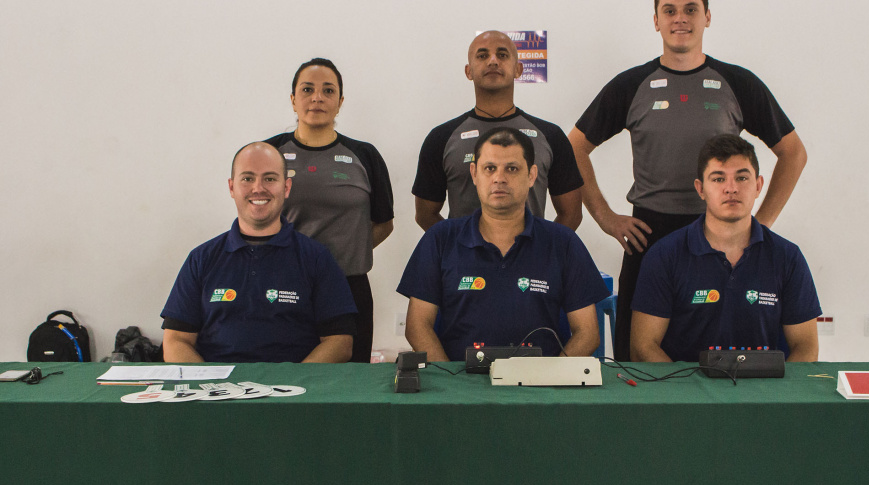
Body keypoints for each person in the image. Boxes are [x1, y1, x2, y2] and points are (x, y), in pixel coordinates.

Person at [568, 0, 808, 361]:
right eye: (669, 10)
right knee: (640, 360)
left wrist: (764, 221)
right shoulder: (632, 84)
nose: (680, 18)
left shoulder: (737, 83)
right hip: (649, 234)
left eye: (691, 8)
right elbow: (573, 148)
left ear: (707, 17)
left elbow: (793, 152)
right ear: (656, 21)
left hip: (720, 236)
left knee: (725, 353)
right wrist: (606, 218)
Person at [398, 127, 608, 362]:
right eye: (490, 169)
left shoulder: (564, 243)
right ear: (474, 174)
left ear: (531, 175)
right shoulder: (440, 239)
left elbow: (588, 334)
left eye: (512, 168)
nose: (499, 178)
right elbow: (417, 328)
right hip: (461, 384)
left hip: (540, 387)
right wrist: (451, 382)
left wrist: (549, 379)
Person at [161, 142, 357, 363]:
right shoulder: (201, 259)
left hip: (292, 390)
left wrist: (291, 386)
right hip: (218, 391)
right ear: (232, 187)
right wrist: (210, 387)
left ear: (286, 187)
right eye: (247, 178)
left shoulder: (317, 258)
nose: (258, 188)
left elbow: (339, 343)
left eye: (270, 179)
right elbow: (175, 341)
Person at [630, 134, 820, 362]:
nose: (731, 189)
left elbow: (806, 347)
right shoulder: (664, 256)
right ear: (700, 189)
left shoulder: (788, 257)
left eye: (742, 178)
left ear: (758, 186)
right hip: (688, 391)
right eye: (718, 179)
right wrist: (687, 395)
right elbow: (643, 347)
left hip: (762, 393)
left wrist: (774, 396)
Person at [265, 58, 394, 363]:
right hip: (284, 286)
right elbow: (253, 218)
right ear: (293, 100)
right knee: (285, 379)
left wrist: (342, 255)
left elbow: (384, 223)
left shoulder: (365, 155)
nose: (317, 98)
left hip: (349, 287)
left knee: (349, 387)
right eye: (307, 89)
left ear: (340, 102)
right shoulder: (269, 153)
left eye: (328, 90)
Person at [412, 30, 584, 231]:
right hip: (464, 262)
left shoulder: (551, 136)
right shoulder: (440, 138)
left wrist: (541, 252)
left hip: (529, 262)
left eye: (502, 55)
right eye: (482, 55)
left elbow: (571, 214)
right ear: (469, 71)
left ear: (518, 69)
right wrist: (457, 249)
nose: (493, 61)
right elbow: (425, 215)